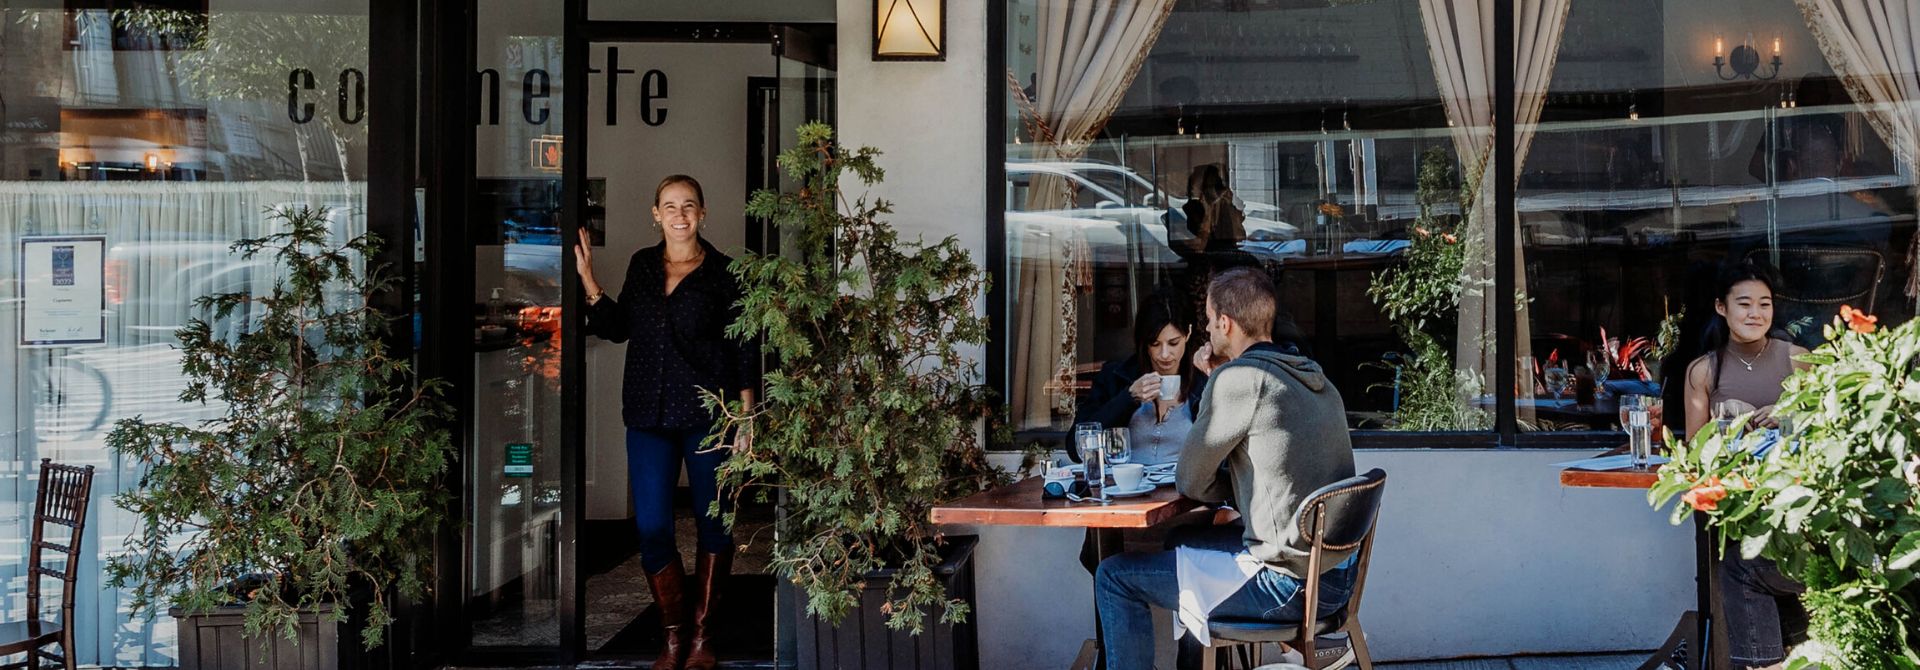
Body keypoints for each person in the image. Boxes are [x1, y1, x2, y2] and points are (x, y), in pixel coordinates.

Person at [1094, 267, 1359, 670]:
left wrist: (1217, 381)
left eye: (1206, 320)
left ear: (1224, 323)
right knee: (1182, 540)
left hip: (1287, 585)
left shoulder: (1240, 379)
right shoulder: (1311, 376)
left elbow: (1189, 478)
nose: (1205, 330)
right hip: (1335, 576)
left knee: (1114, 576)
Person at [575, 175, 757, 670]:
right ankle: (673, 635)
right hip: (648, 415)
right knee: (653, 527)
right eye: (670, 206)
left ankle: (701, 637)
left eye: (689, 206)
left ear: (703, 213)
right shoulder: (641, 265)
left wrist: (746, 415)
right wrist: (591, 284)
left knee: (713, 523)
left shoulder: (723, 273)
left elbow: (744, 344)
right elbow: (618, 330)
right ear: (655, 214)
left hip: (708, 416)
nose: (680, 215)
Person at [1682, 262, 1811, 670]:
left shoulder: (1800, 361)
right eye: (1744, 304)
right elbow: (1693, 453)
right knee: (1735, 556)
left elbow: (1830, 428)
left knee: (1741, 570)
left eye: (1765, 304)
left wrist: (1787, 410)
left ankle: (1762, 662)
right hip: (1736, 506)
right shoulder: (1703, 370)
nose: (1756, 313)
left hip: (1800, 504)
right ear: (1722, 308)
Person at [1072, 295, 1206, 464]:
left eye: (1173, 343)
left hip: (1180, 488)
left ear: (1188, 334)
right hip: (1125, 486)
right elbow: (1076, 448)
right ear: (1144, 342)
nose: (1164, 354)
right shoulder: (1116, 376)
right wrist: (1128, 398)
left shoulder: (1201, 384)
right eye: (1155, 344)